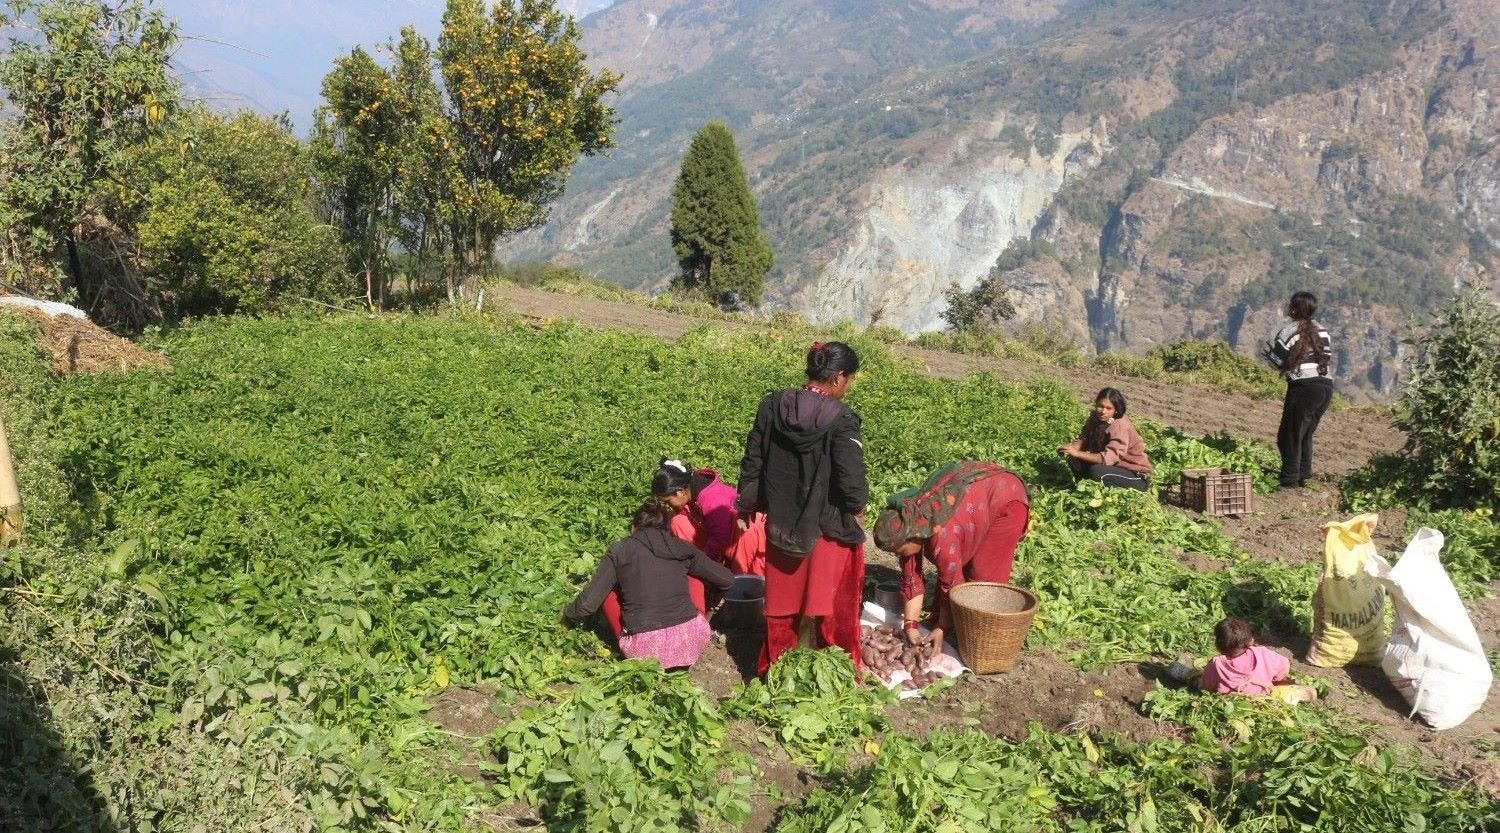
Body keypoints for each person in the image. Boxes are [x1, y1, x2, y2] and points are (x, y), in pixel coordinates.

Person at [735, 341, 868, 675]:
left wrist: (746, 504)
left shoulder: (772, 405)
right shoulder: (842, 420)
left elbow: (754, 459)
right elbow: (850, 476)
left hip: (782, 521)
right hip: (826, 525)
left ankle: (777, 667)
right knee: (833, 604)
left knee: (782, 600)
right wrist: (857, 506)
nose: (847, 388)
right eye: (849, 381)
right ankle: (836, 671)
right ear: (839, 377)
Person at [873, 461, 1030, 650]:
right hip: (973, 498)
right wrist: (911, 627)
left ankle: (982, 640)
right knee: (955, 565)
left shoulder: (942, 538)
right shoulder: (910, 522)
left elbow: (951, 581)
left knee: (981, 579)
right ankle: (946, 618)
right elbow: (911, 579)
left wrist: (943, 628)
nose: (897, 555)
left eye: (898, 551)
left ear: (910, 538)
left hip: (1005, 499)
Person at [562, 499, 734, 670]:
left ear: (633, 528)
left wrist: (566, 619)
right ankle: (693, 626)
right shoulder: (681, 547)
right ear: (667, 529)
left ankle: (625, 642)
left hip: (644, 654)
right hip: (691, 642)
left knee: (607, 591)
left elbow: (587, 603)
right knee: (694, 577)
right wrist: (715, 597)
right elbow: (726, 579)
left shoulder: (620, 550)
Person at [1260, 291, 1334, 489]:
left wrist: (1271, 356)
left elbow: (1278, 360)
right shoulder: (1323, 331)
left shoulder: (1289, 331)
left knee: (1289, 434)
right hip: (1325, 387)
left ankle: (1289, 481)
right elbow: (1325, 356)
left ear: (1293, 309)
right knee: (1306, 433)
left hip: (1304, 387)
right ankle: (1303, 474)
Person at [1199, 617, 1316, 703]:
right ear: (1250, 641)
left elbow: (1207, 686)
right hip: (1264, 696)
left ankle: (1186, 673)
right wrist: (1278, 679)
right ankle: (1299, 693)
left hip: (1235, 702)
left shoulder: (1217, 665)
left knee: (1198, 680)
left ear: (1218, 646)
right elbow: (1284, 665)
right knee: (1281, 693)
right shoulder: (1261, 653)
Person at [1057, 387, 1152, 491]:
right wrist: (1071, 449)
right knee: (1075, 460)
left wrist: (1077, 453)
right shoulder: (1095, 417)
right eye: (1100, 406)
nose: (1103, 411)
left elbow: (1107, 458)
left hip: (1133, 476)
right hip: (1111, 468)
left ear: (1116, 410)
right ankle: (1084, 489)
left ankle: (1111, 497)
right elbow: (1083, 438)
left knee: (1096, 471)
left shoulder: (1120, 425)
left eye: (1108, 408)